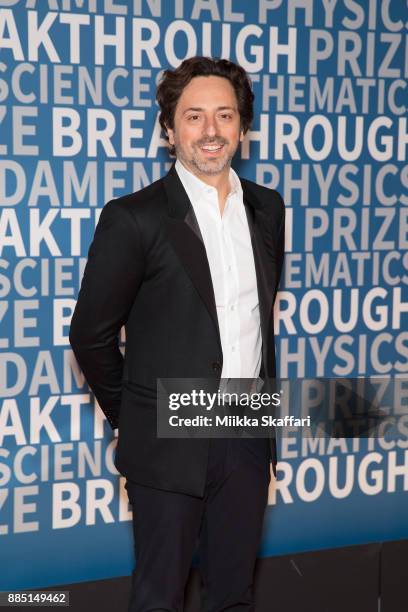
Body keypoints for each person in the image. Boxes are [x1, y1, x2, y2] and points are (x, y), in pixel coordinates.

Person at [69, 56, 285, 612]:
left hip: (245, 430)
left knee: (234, 596)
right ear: (169, 130)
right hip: (167, 442)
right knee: (159, 598)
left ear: (242, 126)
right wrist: (136, 420)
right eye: (194, 117)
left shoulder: (267, 209)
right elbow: (91, 337)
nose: (211, 132)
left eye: (224, 115)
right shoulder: (134, 217)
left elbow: (258, 325)